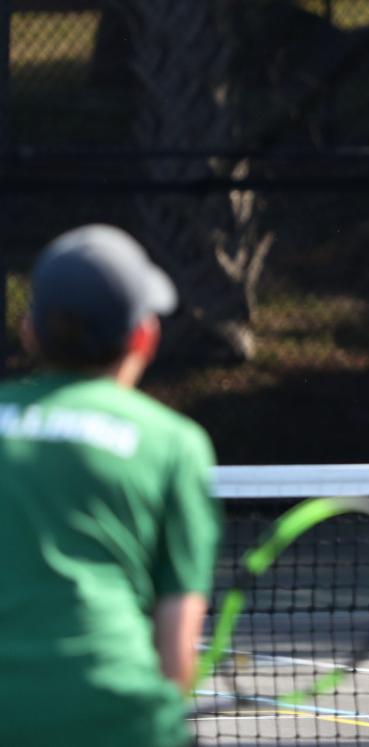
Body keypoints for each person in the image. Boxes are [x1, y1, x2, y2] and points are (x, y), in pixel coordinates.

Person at [0, 225, 221, 747]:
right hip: (119, 719)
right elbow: (176, 636)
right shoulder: (175, 443)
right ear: (145, 336)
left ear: (29, 331)